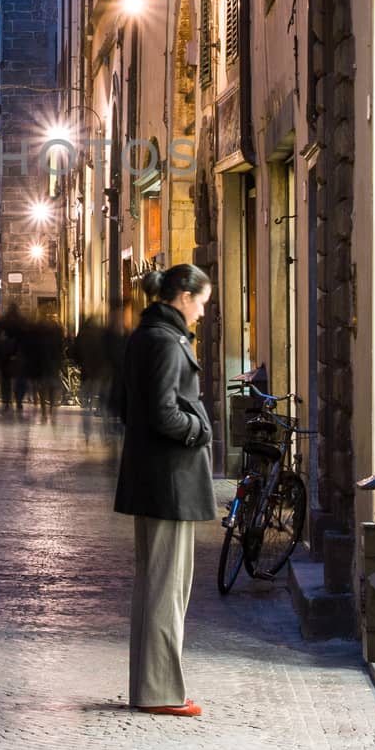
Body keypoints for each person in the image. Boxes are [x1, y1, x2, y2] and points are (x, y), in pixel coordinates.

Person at [114, 263, 216, 717]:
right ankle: (159, 692)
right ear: (183, 297)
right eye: (202, 303)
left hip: (157, 480)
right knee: (166, 589)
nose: (202, 314)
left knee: (156, 585)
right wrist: (198, 430)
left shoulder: (147, 336)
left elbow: (124, 405)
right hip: (169, 481)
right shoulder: (166, 342)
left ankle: (152, 687)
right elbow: (161, 413)